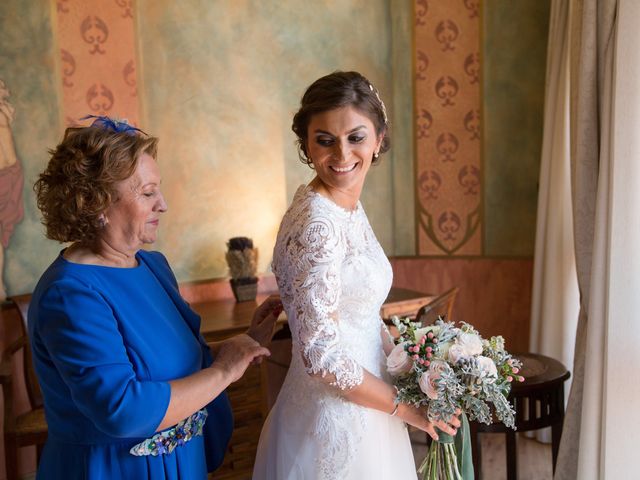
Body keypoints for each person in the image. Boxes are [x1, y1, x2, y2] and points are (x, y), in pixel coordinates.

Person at [29, 116, 282, 479]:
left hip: (183, 463)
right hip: (114, 470)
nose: (162, 204)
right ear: (95, 203)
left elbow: (172, 365)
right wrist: (225, 370)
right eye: (147, 192)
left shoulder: (152, 266)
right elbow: (124, 410)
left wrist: (243, 345)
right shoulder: (70, 294)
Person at [252, 71, 460, 479]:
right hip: (337, 418)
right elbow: (322, 356)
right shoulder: (318, 223)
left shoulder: (344, 203)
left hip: (371, 397)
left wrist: (412, 365)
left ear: (379, 139)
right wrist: (406, 409)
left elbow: (362, 316)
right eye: (325, 140)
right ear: (307, 145)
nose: (342, 155)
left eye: (356, 137)